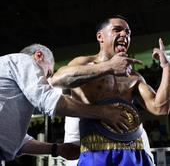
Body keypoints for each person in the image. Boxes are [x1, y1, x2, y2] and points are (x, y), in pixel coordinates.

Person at [51, 15, 170, 166]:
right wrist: (109, 67)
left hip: (134, 149)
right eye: (117, 30)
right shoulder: (84, 63)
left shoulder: (134, 76)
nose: (124, 35)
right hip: (96, 150)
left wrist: (167, 68)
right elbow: (57, 80)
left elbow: (160, 108)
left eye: (128, 32)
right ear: (100, 36)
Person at [0, 43, 128, 164]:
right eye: (48, 73)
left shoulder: (10, 84)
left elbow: (18, 142)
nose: (47, 80)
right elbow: (50, 101)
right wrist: (103, 112)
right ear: (39, 56)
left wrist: (57, 149)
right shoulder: (23, 60)